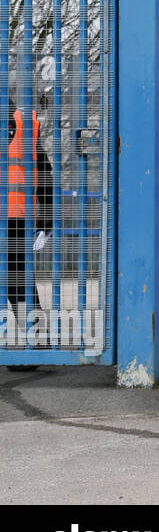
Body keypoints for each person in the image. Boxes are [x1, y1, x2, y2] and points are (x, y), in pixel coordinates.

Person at [6, 109, 53, 371]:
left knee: (17, 279)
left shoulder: (26, 124)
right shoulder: (25, 123)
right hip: (17, 215)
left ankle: (37, 341)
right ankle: (37, 341)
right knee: (18, 278)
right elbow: (45, 171)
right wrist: (45, 219)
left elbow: (44, 171)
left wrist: (45, 219)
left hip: (13, 215)